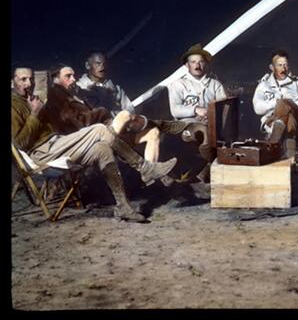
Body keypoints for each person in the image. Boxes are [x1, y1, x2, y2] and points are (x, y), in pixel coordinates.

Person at [11, 66, 173, 222]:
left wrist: (43, 110)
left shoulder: (32, 100)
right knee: (100, 130)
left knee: (102, 149)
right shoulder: (13, 105)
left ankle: (123, 206)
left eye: (31, 79)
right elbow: (20, 142)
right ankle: (145, 168)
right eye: (23, 79)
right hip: (42, 153)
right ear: (13, 82)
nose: (29, 83)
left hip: (57, 144)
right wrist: (35, 113)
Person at [46, 63, 178, 175]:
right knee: (124, 115)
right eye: (68, 76)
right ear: (56, 80)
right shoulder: (57, 97)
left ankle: (150, 173)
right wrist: (101, 112)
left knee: (152, 133)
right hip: (89, 140)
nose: (73, 79)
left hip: (106, 135)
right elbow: (80, 124)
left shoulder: (73, 94)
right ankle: (146, 163)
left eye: (73, 75)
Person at [168, 43, 227, 181]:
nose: (197, 65)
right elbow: (175, 110)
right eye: (193, 62)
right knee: (202, 131)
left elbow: (224, 107)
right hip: (186, 125)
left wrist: (211, 116)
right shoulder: (178, 84)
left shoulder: (215, 84)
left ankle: (205, 173)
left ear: (206, 64)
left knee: (218, 132)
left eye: (201, 62)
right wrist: (195, 110)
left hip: (211, 122)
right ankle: (209, 169)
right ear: (187, 65)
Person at [252, 49, 298, 160]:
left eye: (285, 65)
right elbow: (257, 108)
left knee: (284, 104)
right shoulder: (263, 86)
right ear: (272, 67)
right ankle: (290, 154)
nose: (283, 68)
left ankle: (273, 143)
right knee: (287, 117)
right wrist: (276, 104)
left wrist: (285, 104)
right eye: (279, 65)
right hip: (273, 120)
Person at [76, 51, 134, 116]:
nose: (102, 67)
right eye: (98, 63)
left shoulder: (115, 87)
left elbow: (129, 108)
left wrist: (123, 118)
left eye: (104, 64)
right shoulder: (80, 89)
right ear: (88, 65)